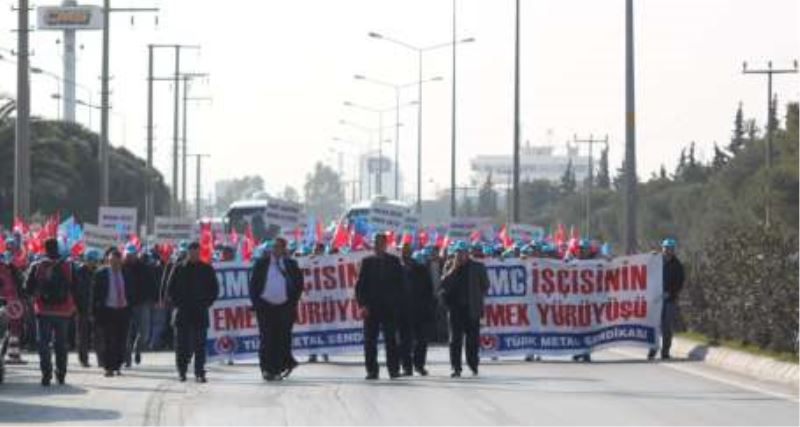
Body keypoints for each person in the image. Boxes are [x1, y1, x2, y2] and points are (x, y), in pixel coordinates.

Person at [24, 238, 78, 386]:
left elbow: (27, 288)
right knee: (61, 344)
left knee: (43, 344)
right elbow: (76, 288)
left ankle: (46, 374)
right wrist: (75, 307)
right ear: (58, 248)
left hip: (43, 311)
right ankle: (61, 374)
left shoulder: (37, 265)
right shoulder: (69, 265)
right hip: (64, 312)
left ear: (45, 248)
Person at [248, 237, 303, 381]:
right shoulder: (261, 264)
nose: (277, 249)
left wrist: (292, 303)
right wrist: (256, 304)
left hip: (285, 308)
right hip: (265, 307)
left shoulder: (291, 264)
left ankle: (277, 369)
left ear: (284, 249)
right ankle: (266, 369)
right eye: (275, 246)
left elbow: (298, 285)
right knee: (267, 338)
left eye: (280, 247)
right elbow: (253, 285)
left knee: (281, 339)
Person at [167, 241, 219, 382]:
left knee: (200, 345)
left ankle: (199, 372)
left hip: (200, 312)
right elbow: (170, 289)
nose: (194, 255)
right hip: (182, 312)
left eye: (197, 253)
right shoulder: (179, 268)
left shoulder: (206, 269)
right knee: (181, 345)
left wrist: (206, 303)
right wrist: (178, 304)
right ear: (188, 253)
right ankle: (182, 371)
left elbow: (214, 290)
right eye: (192, 253)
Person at [355, 233, 403, 380]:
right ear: (374, 244)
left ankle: (393, 370)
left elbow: (401, 285)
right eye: (376, 243)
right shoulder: (367, 262)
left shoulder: (394, 261)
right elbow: (360, 286)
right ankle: (372, 370)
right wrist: (362, 305)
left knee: (391, 340)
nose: (379, 245)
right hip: (371, 309)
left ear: (385, 244)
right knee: (370, 341)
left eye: (381, 242)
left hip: (389, 308)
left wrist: (397, 303)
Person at [440, 241, 489, 378]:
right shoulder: (450, 265)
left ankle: (473, 364)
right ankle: (456, 367)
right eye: (458, 252)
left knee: (472, 340)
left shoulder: (478, 267)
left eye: (464, 252)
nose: (461, 255)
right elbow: (444, 283)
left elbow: (485, 285)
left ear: (468, 253)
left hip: (471, 308)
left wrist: (476, 297)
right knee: (455, 340)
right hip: (455, 309)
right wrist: (454, 268)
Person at [93, 247, 134, 377]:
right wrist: (94, 311)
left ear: (121, 261)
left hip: (123, 310)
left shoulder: (126, 273)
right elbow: (94, 294)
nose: (114, 264)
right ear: (108, 261)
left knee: (121, 340)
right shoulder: (101, 274)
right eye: (112, 261)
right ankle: (108, 367)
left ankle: (117, 365)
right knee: (108, 340)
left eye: (117, 261)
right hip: (107, 310)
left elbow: (132, 292)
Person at [396, 243, 436, 376]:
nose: (405, 253)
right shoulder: (395, 268)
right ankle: (407, 367)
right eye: (402, 250)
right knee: (404, 341)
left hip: (420, 309)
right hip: (402, 310)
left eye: (407, 250)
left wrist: (429, 306)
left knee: (422, 340)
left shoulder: (421, 268)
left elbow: (429, 290)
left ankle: (419, 365)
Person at [648, 238, 685, 360]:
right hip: (655, 300)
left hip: (669, 300)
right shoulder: (655, 260)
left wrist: (670, 293)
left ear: (673, 250)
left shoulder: (677, 265)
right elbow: (643, 267)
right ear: (662, 248)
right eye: (666, 248)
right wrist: (650, 256)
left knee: (666, 327)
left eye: (670, 249)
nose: (668, 251)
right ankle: (652, 350)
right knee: (654, 326)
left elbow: (679, 283)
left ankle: (665, 352)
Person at [124, 244, 158, 367]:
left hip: (142, 303)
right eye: (128, 255)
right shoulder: (121, 268)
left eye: (132, 255)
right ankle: (127, 358)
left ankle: (138, 347)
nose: (130, 257)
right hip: (126, 305)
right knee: (126, 333)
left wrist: (155, 299)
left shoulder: (144, 268)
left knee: (144, 333)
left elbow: (153, 284)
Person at [74, 248, 101, 367]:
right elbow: (75, 291)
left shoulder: (98, 273)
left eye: (95, 261)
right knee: (83, 335)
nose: (94, 263)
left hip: (96, 308)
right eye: (92, 260)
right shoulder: (78, 272)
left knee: (99, 335)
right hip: (82, 308)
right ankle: (83, 359)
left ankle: (102, 359)